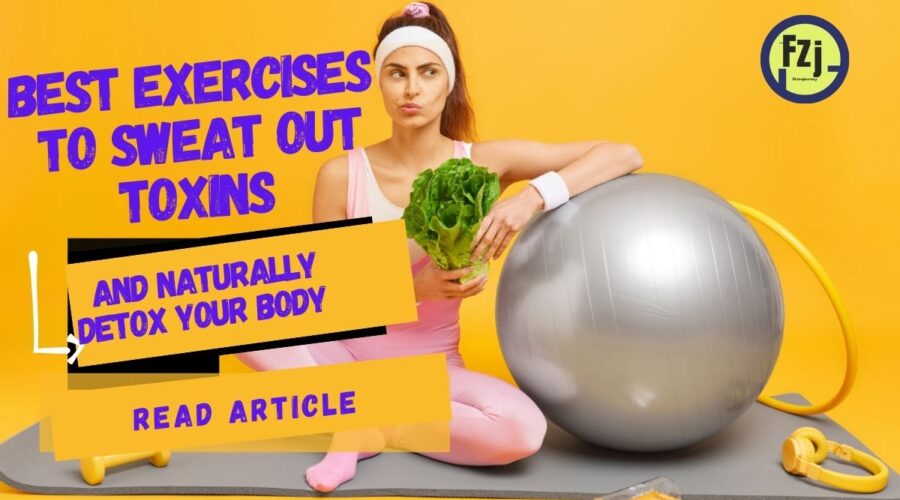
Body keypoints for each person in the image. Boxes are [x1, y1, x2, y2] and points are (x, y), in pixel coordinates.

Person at [236, 1, 643, 492]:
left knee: (523, 430)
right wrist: (417, 286)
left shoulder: (484, 162)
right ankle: (363, 414)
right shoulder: (341, 174)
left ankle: (367, 419)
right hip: (339, 357)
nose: (412, 89)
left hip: (431, 370)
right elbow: (326, 298)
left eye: (427, 73)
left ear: (447, 83)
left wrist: (532, 198)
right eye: (396, 73)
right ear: (378, 82)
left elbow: (624, 154)